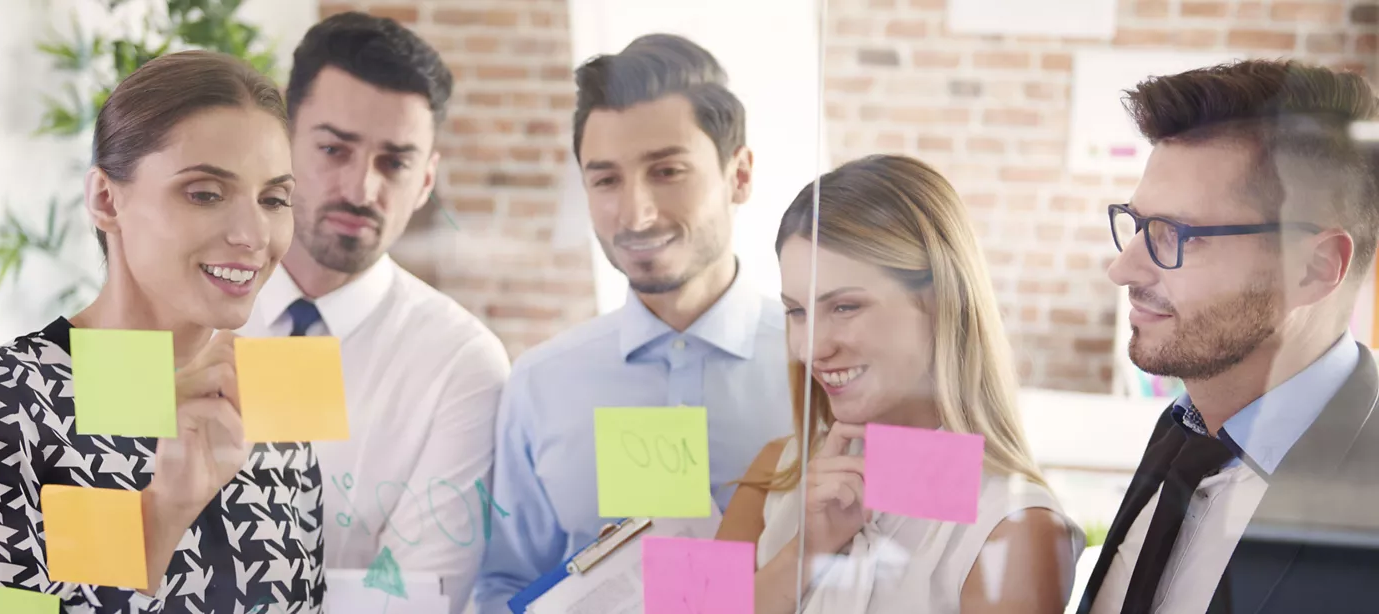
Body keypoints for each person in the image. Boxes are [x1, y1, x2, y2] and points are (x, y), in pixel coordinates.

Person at [0, 51, 321, 612]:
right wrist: (159, 511)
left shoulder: (269, 407)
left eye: (274, 200)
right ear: (106, 199)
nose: (253, 234)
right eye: (205, 193)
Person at [473, 34, 792, 612]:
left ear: (739, 174)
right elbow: (502, 586)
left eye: (667, 171)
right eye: (606, 180)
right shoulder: (541, 383)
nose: (636, 213)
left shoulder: (823, 366)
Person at [715, 155, 1085, 613]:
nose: (811, 348)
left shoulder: (1015, 528)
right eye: (797, 311)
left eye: (845, 307)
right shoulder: (775, 470)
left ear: (939, 304)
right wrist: (805, 554)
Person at [1078, 59, 1379, 613]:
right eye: (1139, 224)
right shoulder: (1185, 428)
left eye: (1177, 235)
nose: (1123, 269)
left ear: (1311, 270)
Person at [234, 12, 510, 613]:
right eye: (334, 149)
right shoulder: (168, 320)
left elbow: (413, 601)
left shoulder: (462, 366)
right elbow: (111, 552)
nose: (361, 189)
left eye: (395, 162)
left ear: (428, 177)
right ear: (279, 136)